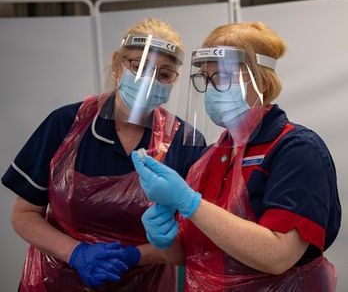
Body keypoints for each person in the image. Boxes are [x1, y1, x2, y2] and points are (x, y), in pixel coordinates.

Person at [132, 22, 341, 291]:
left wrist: (189, 202)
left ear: (262, 82)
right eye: (206, 79)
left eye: (222, 76)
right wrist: (166, 240)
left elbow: (278, 256)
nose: (210, 89)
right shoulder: (209, 158)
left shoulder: (297, 150)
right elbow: (193, 254)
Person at [1, 18, 205, 291]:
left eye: (164, 74)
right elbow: (24, 214)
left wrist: (134, 256)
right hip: (55, 282)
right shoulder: (66, 125)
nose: (150, 80)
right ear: (118, 64)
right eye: (139, 66)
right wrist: (76, 253)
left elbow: (193, 239)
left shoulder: (185, 142)